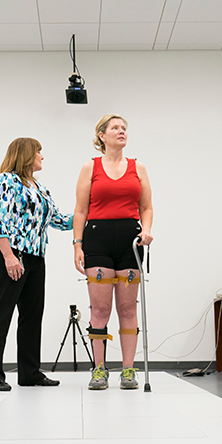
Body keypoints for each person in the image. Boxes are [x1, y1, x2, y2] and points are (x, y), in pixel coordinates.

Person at [0, 137, 73, 391]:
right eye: (39, 152)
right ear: (25, 154)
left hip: (36, 257)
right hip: (10, 255)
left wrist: (85, 214)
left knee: (32, 316)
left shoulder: (41, 189)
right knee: (1, 313)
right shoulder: (6, 180)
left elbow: (58, 220)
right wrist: (9, 256)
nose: (42, 156)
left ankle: (30, 372)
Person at [73, 114, 153, 390]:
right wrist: (77, 244)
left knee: (128, 308)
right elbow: (81, 210)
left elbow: (147, 207)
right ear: (102, 135)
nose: (121, 132)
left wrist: (147, 230)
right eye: (115, 128)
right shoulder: (90, 167)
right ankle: (99, 369)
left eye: (124, 128)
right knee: (101, 308)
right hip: (97, 240)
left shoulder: (137, 167)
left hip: (129, 242)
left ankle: (128, 370)